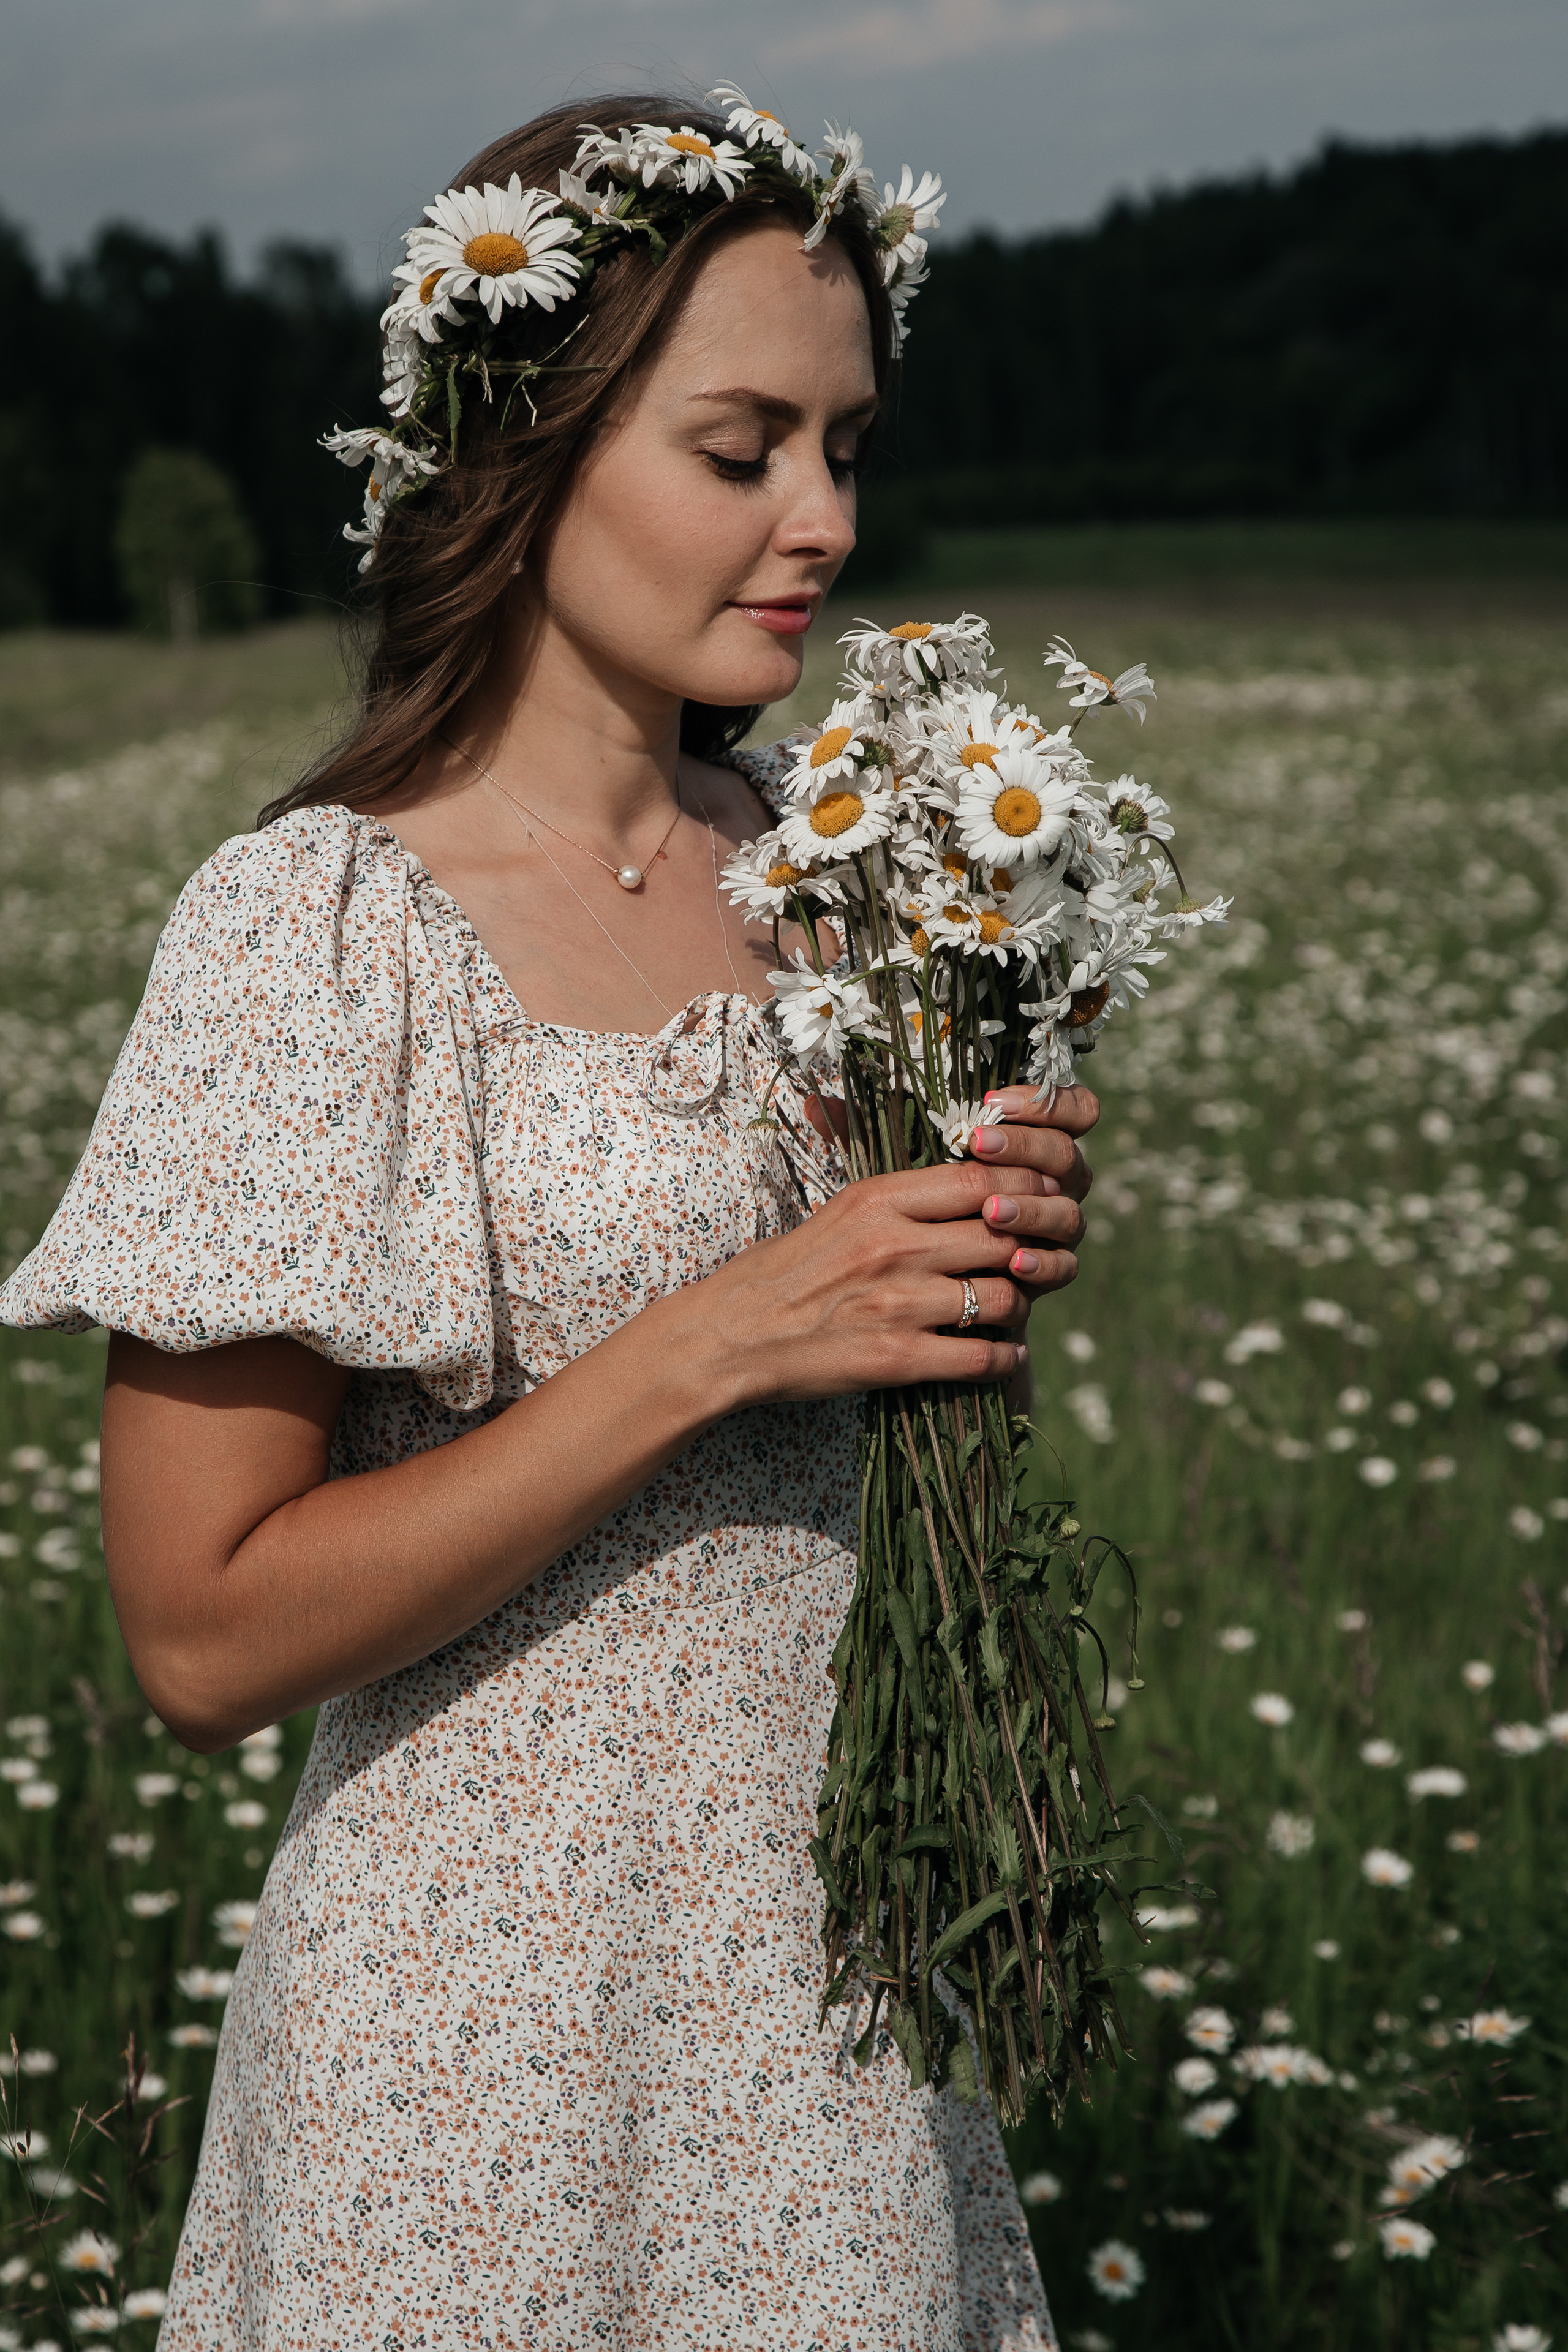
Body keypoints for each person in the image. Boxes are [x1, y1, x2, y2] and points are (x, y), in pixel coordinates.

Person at [0, 89, 1095, 2350]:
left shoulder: (858, 887)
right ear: (527, 446)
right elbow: (198, 1639)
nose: (821, 519)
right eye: (741, 448)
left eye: (848, 445)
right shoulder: (317, 929)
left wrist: (969, 1259)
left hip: (831, 2005)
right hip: (475, 2043)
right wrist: (727, 1334)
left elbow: (856, 1404)